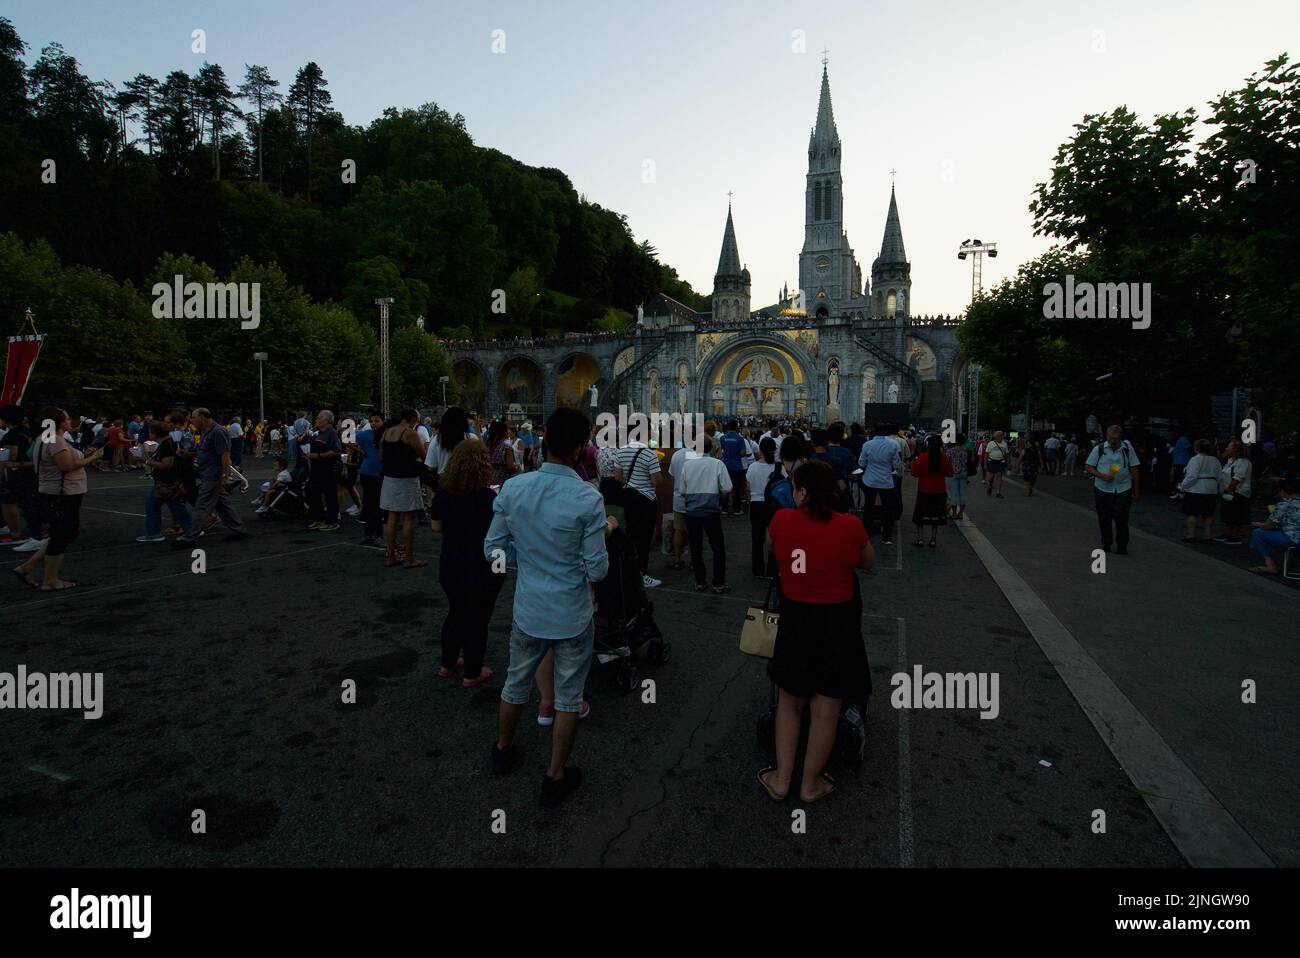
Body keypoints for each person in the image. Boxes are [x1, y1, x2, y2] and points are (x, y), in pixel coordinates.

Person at [485, 407, 613, 808]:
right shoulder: (587, 498)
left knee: (514, 681)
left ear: (544, 441)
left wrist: (527, 562)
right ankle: (555, 775)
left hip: (529, 607)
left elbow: (493, 551)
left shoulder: (514, 489)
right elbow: (598, 568)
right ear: (579, 450)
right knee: (569, 697)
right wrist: (607, 530)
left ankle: (503, 748)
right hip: (572, 612)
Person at [759, 460, 874, 804]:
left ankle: (781, 779)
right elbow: (868, 563)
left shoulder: (782, 520)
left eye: (795, 487)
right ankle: (810, 783)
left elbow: (771, 547)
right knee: (827, 708)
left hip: (796, 620)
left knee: (790, 703)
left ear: (804, 492)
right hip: (838, 624)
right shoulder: (850, 526)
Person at [429, 441, 507, 688]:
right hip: (483, 565)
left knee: (455, 612)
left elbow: (436, 527)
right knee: (478, 618)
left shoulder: (443, 493)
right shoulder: (488, 498)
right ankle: (473, 672)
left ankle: (448, 662)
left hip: (450, 562)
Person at [12, 407, 103, 590]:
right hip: (62, 493)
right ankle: (50, 580)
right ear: (60, 422)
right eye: (67, 418)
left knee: (63, 533)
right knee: (62, 535)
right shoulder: (56, 440)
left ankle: (28, 567)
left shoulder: (45, 439)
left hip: (53, 492)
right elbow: (66, 466)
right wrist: (92, 458)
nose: (70, 421)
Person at [174, 407, 247, 546]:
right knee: (223, 504)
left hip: (214, 476)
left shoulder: (218, 432)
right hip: (207, 473)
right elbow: (204, 452)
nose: (191, 421)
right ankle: (239, 530)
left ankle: (190, 537)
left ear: (202, 417)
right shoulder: (205, 431)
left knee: (202, 505)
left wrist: (225, 477)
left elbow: (225, 455)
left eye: (194, 418)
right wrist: (187, 454)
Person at [678, 435, 732, 593]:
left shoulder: (688, 466)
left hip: (693, 512)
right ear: (711, 449)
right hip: (712, 512)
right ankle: (718, 582)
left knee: (696, 547)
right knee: (717, 548)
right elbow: (727, 488)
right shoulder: (717, 464)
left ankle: (700, 581)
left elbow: (682, 490)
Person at [1084, 425, 1141, 555]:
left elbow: (1135, 468)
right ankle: (1106, 543)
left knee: (1121, 515)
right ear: (1107, 436)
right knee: (1104, 517)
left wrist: (1136, 489)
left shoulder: (1127, 448)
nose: (1113, 441)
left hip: (1123, 487)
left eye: (1116, 438)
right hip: (1102, 487)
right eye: (1111, 438)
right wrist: (1102, 475)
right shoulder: (1099, 449)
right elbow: (1088, 466)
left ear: (1121, 437)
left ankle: (1122, 544)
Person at [380, 409, 426, 568]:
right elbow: (423, 454)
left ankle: (391, 555)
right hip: (407, 478)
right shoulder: (409, 433)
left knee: (392, 517)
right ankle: (409, 558)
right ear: (413, 419)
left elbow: (382, 454)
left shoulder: (387, 432)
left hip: (389, 477)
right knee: (409, 517)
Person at [615, 434, 663, 587]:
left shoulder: (621, 451)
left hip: (628, 495)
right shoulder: (650, 454)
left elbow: (617, 476)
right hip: (646, 499)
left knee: (630, 534)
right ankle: (641, 574)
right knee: (644, 538)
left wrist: (633, 483)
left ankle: (629, 571)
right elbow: (656, 481)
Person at [136, 421, 194, 541]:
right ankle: (191, 529)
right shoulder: (169, 443)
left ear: (155, 433)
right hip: (171, 481)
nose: (148, 434)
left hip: (167, 482)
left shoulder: (166, 445)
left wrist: (146, 461)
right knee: (175, 506)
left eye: (150, 432)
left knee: (152, 505)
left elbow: (166, 465)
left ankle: (153, 533)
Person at [857, 423, 902, 545]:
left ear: (874, 432)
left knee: (868, 507)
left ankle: (866, 533)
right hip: (886, 481)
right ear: (886, 432)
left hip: (870, 480)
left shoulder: (867, 445)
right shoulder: (893, 445)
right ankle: (887, 536)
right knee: (887, 508)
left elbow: (861, 463)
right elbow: (897, 464)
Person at [1247, 480, 1300, 575]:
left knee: (1258, 533)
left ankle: (1270, 565)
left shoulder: (1284, 505)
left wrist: (1256, 524)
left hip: (1292, 539)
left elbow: (1268, 526)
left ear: (1283, 491)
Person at [909, 434, 953, 547]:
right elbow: (949, 473)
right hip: (939, 490)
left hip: (924, 489)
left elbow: (914, 473)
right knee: (936, 516)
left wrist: (914, 462)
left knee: (920, 515)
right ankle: (933, 539)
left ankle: (920, 539)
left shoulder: (923, 457)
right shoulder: (944, 458)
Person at [304, 410, 344, 532]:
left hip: (329, 468)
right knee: (311, 491)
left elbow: (337, 451)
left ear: (326, 420)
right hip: (317, 468)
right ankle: (319, 518)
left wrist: (318, 456)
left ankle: (332, 521)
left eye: (318, 418)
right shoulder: (317, 434)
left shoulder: (331, 433)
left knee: (330, 495)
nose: (316, 420)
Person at [1178, 438, 1221, 544]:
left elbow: (1192, 476)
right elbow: (1220, 475)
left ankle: (1191, 535)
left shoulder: (1195, 459)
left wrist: (1182, 486)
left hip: (1197, 488)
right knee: (1208, 514)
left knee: (1192, 513)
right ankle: (1207, 535)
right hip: (1211, 488)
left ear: (1196, 448)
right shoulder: (1215, 460)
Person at [746, 437, 777, 576]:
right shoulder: (778, 467)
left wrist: (749, 499)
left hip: (756, 504)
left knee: (757, 539)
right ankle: (772, 570)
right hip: (772, 505)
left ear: (760, 450)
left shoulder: (752, 467)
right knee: (773, 537)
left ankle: (757, 569)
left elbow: (747, 487)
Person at [1214, 439, 1253, 546]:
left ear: (1235, 449)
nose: (1227, 449)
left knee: (1236, 515)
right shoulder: (1231, 461)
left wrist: (1230, 488)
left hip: (1238, 492)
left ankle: (1235, 535)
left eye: (1229, 447)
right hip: (1228, 492)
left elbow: (1238, 477)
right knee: (1227, 514)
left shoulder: (1243, 462)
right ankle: (1227, 533)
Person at [355, 414, 385, 545]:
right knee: (374, 504)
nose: (373, 423)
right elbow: (346, 438)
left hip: (380, 472)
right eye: (372, 421)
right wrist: (361, 451)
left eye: (377, 421)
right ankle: (376, 534)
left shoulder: (387, 434)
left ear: (383, 422)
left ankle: (370, 533)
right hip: (369, 472)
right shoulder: (366, 434)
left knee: (373, 504)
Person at [719, 420, 748, 515]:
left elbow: (721, 451)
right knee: (736, 488)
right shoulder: (740, 439)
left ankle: (724, 508)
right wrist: (737, 454)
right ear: (736, 427)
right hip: (737, 466)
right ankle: (737, 509)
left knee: (725, 487)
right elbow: (743, 452)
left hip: (726, 465)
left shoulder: (723, 438)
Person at [946, 434, 969, 520]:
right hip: (964, 473)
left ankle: (954, 513)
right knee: (962, 494)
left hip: (954, 473)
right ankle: (961, 514)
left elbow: (947, 462)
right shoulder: (965, 450)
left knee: (954, 494)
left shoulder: (950, 451)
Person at [982, 430, 1010, 498]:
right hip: (991, 461)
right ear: (996, 437)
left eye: (1001, 436)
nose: (1000, 437)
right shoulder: (991, 443)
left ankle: (998, 492)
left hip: (1000, 461)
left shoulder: (1004, 444)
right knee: (990, 477)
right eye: (999, 436)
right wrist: (985, 464)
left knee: (1000, 477)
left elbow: (1007, 454)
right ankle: (990, 486)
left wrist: (1009, 462)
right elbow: (986, 454)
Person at [1168, 432, 1193, 500]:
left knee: (1179, 478)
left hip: (1180, 462)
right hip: (1180, 462)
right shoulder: (1182, 439)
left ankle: (1179, 493)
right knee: (1178, 478)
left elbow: (1189, 449)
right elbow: (1189, 449)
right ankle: (1178, 492)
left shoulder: (1181, 440)